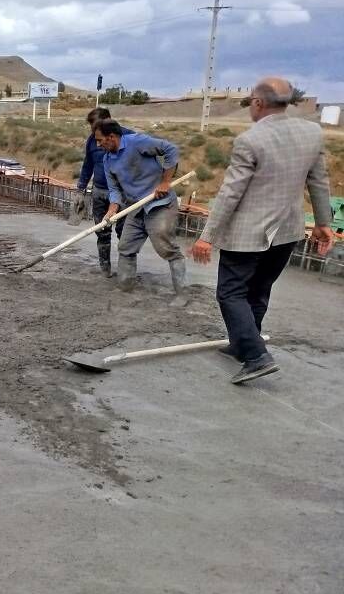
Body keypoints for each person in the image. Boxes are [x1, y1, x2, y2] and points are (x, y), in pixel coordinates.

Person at [190, 77, 334, 384]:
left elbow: (231, 193)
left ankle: (256, 356)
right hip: (286, 232)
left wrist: (207, 237)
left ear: (258, 103)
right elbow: (319, 181)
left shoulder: (250, 140)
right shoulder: (312, 132)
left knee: (231, 293)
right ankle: (244, 344)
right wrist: (324, 223)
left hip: (247, 235)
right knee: (259, 290)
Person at [95, 120, 187, 304]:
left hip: (159, 205)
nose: (98, 144)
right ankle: (125, 287)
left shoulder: (137, 142)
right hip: (136, 207)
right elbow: (114, 189)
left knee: (167, 248)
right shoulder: (107, 160)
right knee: (126, 247)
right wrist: (113, 208)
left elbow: (171, 150)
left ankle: (181, 294)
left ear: (112, 137)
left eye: (100, 140)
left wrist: (165, 181)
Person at [76, 108, 132, 277]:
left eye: (96, 128)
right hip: (100, 191)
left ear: (108, 121)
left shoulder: (128, 137)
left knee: (125, 233)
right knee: (102, 232)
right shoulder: (92, 141)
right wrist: (81, 188)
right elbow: (88, 165)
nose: (94, 134)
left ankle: (125, 271)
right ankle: (105, 269)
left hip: (123, 194)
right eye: (92, 129)